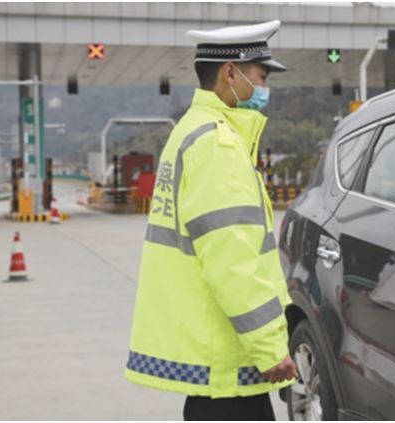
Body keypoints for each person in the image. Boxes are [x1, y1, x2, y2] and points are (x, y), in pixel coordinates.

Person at [125, 20, 298, 421]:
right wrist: (270, 348)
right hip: (227, 359)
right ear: (230, 73)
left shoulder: (191, 131)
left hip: (214, 357)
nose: (266, 88)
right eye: (262, 77)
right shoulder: (218, 146)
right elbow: (232, 259)